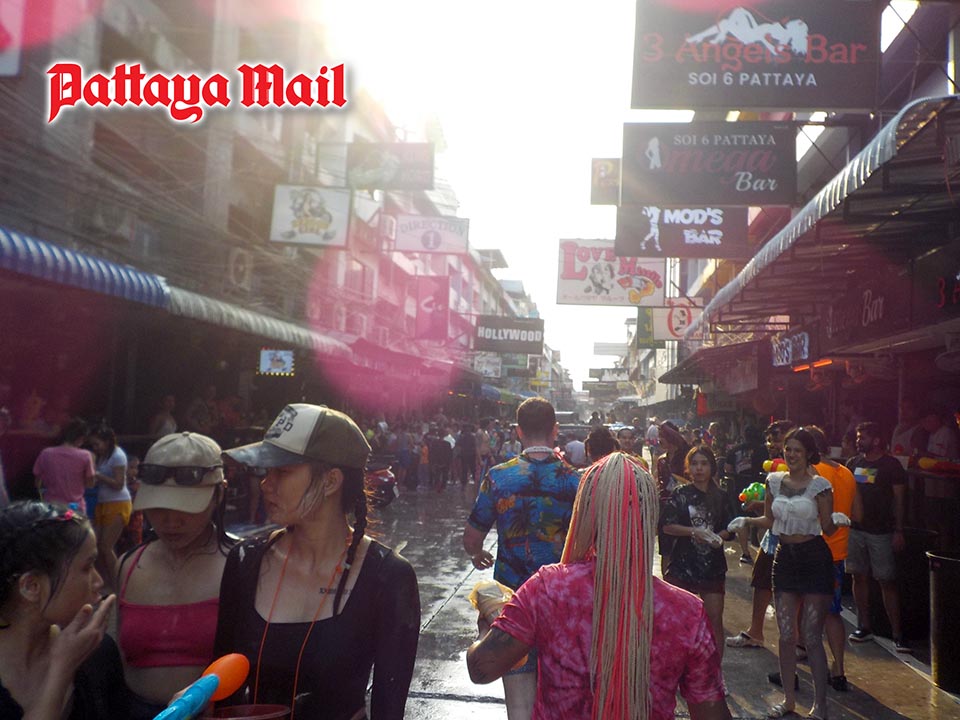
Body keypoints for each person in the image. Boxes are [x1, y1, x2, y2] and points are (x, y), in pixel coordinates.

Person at [466, 453, 730, 720]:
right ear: (651, 517)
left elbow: (481, 669)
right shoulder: (687, 613)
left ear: (585, 512)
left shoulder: (547, 589)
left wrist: (487, 625)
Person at [216, 404, 420, 719]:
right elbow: (220, 686)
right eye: (267, 472)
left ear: (330, 481)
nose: (266, 484)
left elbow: (388, 707)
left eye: (282, 471)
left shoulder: (388, 577)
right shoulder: (245, 562)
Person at [463, 397, 581, 720]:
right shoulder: (577, 481)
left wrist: (478, 554)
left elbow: (471, 538)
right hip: (564, 606)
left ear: (518, 431)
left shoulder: (499, 478)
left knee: (519, 707)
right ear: (555, 430)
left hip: (512, 607)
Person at [728, 428, 849, 720]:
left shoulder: (820, 486)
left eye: (797, 450)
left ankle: (820, 706)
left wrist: (837, 520)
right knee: (785, 635)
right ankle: (789, 701)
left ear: (808, 454)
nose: (791, 455)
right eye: (788, 449)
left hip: (814, 558)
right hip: (784, 559)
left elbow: (827, 528)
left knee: (811, 635)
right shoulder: (773, 481)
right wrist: (747, 520)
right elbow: (770, 520)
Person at [116, 432, 233, 719]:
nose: (171, 521)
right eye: (159, 508)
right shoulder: (128, 565)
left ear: (218, 494)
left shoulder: (242, 564)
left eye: (185, 507)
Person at [0, 501, 127, 719]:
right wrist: (62, 670)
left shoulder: (97, 652)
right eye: (87, 567)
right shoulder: (82, 653)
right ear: (31, 586)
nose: (99, 581)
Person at [725, 420, 794, 652]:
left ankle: (799, 642)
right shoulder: (773, 472)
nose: (773, 445)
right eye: (771, 440)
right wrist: (756, 513)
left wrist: (759, 514)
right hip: (773, 536)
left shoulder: (804, 475)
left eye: (778, 440)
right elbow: (771, 513)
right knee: (762, 581)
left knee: (791, 592)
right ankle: (756, 632)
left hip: (794, 540)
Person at [661, 446, 735, 664]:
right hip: (683, 565)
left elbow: (730, 527)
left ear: (712, 467)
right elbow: (667, 526)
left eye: (704, 463)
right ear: (688, 468)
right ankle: (677, 667)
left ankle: (714, 672)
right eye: (694, 464)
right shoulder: (680, 494)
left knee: (714, 620)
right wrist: (693, 531)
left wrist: (717, 537)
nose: (699, 468)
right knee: (679, 621)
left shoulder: (721, 496)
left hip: (712, 566)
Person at [845, 421, 910, 653]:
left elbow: (899, 500)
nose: (858, 441)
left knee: (886, 581)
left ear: (876, 440)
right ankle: (864, 625)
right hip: (856, 530)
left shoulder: (891, 465)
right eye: (858, 437)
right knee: (858, 577)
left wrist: (899, 530)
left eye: (862, 437)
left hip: (882, 531)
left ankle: (897, 633)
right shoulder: (853, 463)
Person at [807, 426, 861, 692]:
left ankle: (796, 668)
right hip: (838, 553)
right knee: (832, 612)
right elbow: (858, 514)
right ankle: (838, 669)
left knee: (803, 611)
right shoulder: (847, 472)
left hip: (812, 550)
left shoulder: (812, 473)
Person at [88, 426, 129, 590]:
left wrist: (99, 476)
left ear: (107, 442)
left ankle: (119, 583)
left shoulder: (118, 456)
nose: (95, 448)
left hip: (118, 502)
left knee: (106, 546)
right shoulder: (102, 456)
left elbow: (119, 484)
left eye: (97, 444)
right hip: (102, 503)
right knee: (96, 546)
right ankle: (105, 582)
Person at [723, 425, 767, 564]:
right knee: (762, 519)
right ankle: (763, 553)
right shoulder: (763, 449)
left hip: (741, 489)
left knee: (742, 519)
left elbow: (727, 469)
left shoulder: (735, 449)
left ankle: (746, 553)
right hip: (761, 489)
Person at [32, 418, 95, 514]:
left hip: (51, 508)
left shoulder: (46, 453)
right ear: (81, 438)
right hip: (75, 508)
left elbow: (37, 483)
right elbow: (90, 484)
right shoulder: (85, 455)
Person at [655, 421, 691, 574]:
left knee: (685, 547)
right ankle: (667, 581)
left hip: (685, 507)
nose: (659, 440)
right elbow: (659, 484)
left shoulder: (687, 457)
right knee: (666, 550)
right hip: (665, 508)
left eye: (662, 436)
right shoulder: (661, 460)